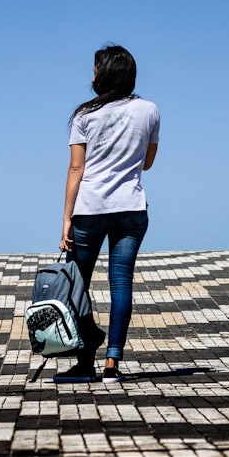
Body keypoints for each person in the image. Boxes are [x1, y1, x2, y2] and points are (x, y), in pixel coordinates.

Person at [54, 44, 159, 383]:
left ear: (106, 74)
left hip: (91, 209)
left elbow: (75, 170)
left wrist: (66, 219)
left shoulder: (84, 116)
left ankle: (85, 362)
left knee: (76, 286)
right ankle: (113, 363)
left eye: (95, 69)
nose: (92, 76)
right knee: (121, 283)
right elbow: (147, 162)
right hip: (131, 207)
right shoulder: (150, 110)